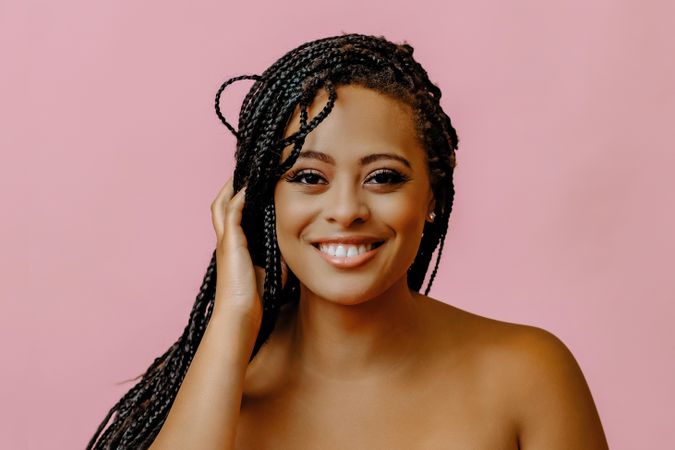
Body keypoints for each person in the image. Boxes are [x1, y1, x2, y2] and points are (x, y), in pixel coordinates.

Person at [87, 33, 609, 450]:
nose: (345, 211)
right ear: (262, 200)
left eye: (383, 177)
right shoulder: (214, 384)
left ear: (432, 195)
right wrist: (232, 319)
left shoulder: (529, 374)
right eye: (308, 177)